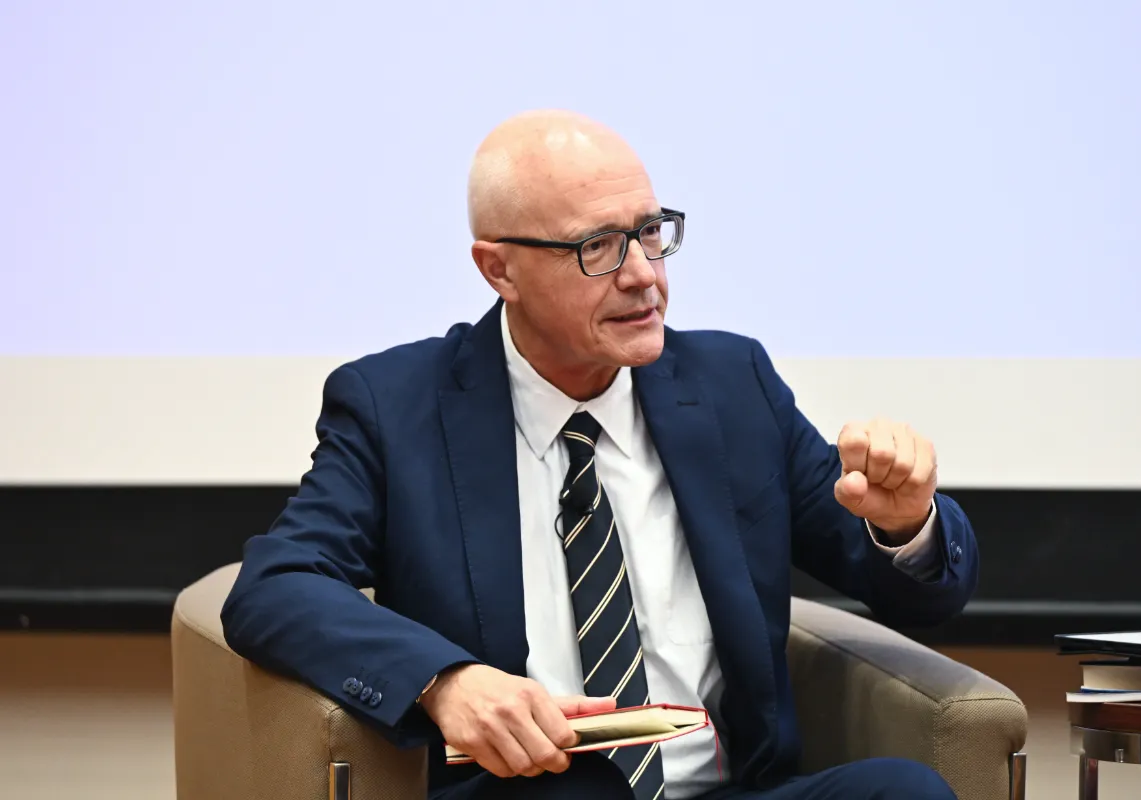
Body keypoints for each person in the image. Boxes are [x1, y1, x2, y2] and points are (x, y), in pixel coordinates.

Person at [221, 110, 978, 800]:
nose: (643, 274)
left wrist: (905, 524)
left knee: (903, 793)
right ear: (499, 269)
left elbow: (915, 593)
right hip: (535, 792)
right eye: (598, 247)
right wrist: (446, 682)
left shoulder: (731, 386)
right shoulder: (396, 408)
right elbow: (277, 586)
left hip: (727, 790)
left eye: (650, 232)